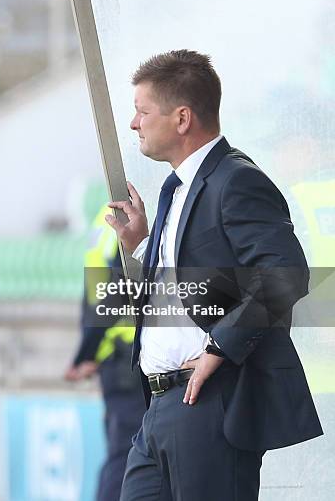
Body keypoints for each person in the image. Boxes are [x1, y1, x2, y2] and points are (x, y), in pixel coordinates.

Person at [104, 50, 323, 501]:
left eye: (142, 111)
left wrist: (219, 346)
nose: (133, 124)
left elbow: (286, 274)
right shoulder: (177, 187)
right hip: (159, 409)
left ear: (181, 118)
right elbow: (202, 288)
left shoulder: (236, 179)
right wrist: (143, 246)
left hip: (210, 403)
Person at [65, 204, 146, 501]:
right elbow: (115, 290)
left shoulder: (104, 214)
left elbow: (92, 295)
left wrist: (86, 353)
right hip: (131, 358)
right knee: (128, 458)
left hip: (115, 357)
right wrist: (86, 353)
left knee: (124, 455)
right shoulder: (131, 213)